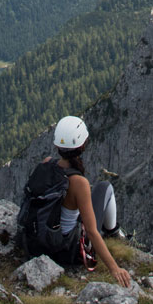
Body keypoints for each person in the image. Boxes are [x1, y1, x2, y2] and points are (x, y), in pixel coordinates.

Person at [52, 114, 131, 288]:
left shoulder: (47, 164)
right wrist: (114, 268)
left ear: (57, 145)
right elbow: (92, 231)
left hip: (44, 241)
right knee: (104, 188)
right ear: (82, 145)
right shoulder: (79, 183)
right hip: (67, 251)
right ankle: (114, 233)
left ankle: (113, 232)